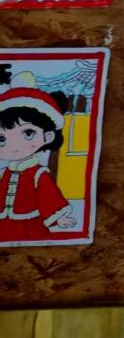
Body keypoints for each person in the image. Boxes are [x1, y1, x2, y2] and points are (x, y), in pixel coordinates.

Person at [0, 79, 73, 242]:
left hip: (29, 223)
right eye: (1, 139)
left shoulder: (38, 173)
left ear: (48, 136)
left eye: (28, 133)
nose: (14, 145)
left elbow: (48, 196)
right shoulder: (5, 172)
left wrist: (59, 218)